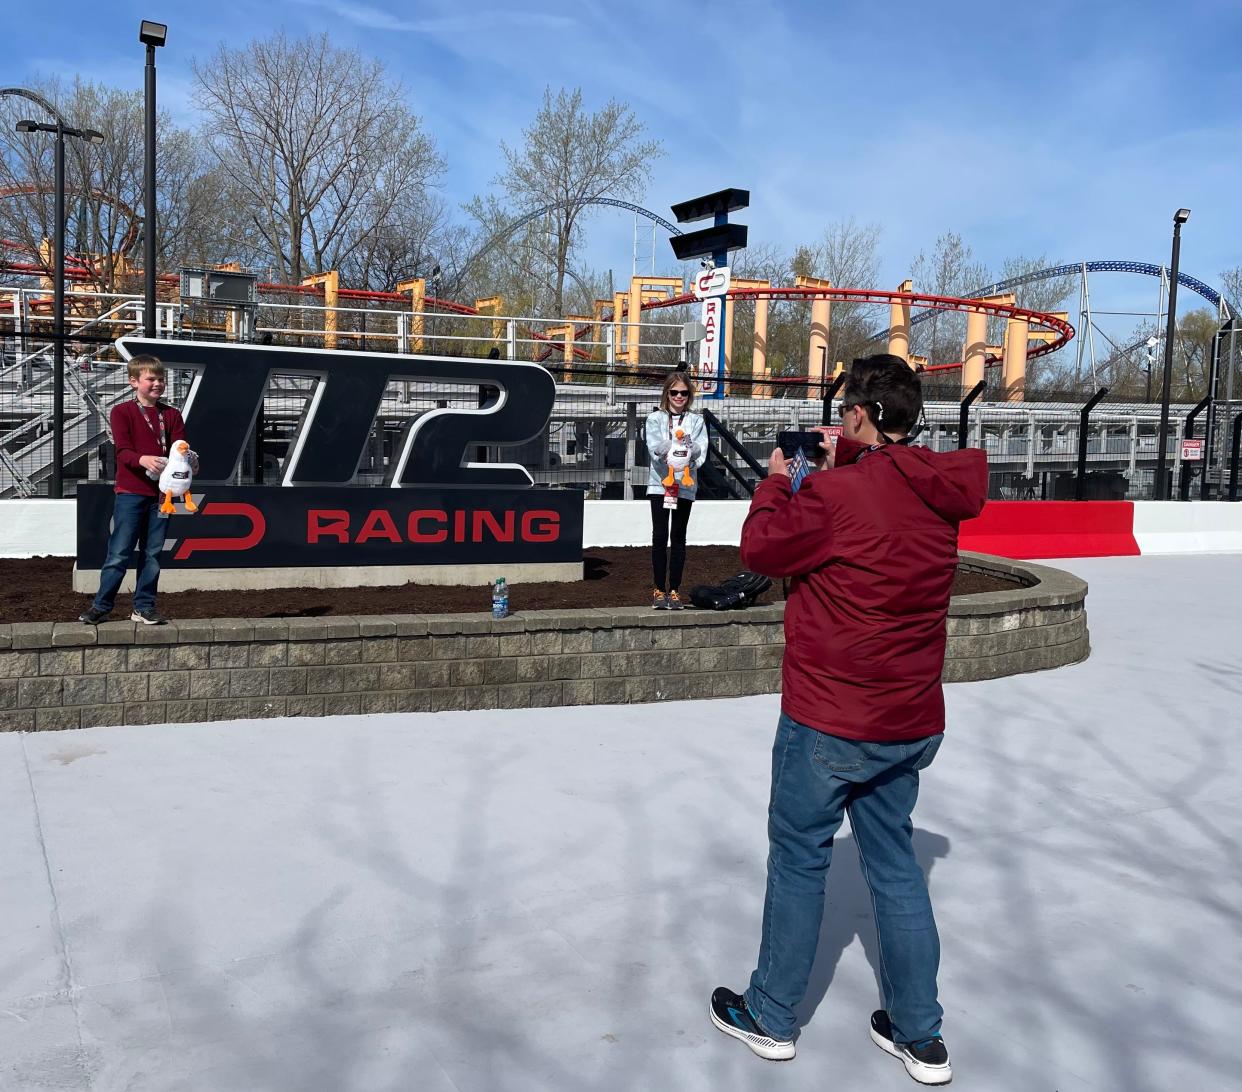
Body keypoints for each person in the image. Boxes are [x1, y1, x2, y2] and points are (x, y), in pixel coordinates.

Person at [709, 355, 988, 1085]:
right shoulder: (936, 491)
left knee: (800, 858)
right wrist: (846, 464)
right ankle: (919, 1032)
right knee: (894, 867)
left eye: (846, 414)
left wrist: (777, 481)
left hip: (831, 716)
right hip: (908, 717)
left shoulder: (835, 495)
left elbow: (763, 549)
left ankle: (771, 1015)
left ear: (860, 413)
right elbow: (887, 507)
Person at [78, 354, 195, 626]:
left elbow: (180, 450)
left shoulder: (172, 415)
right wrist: (143, 459)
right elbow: (123, 451)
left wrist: (190, 461)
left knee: (153, 553)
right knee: (119, 552)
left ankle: (144, 606)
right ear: (134, 381)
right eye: (150, 379)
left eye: (161, 379)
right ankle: (101, 606)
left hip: (163, 496)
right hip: (132, 493)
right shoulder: (122, 412)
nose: (157, 384)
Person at [644, 371, 707, 609]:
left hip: (685, 486)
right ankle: (659, 589)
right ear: (667, 393)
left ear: (689, 395)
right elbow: (654, 450)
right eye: (674, 392)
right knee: (660, 536)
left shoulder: (696, 420)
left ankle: (675, 590)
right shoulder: (655, 419)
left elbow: (702, 450)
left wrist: (689, 454)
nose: (679, 396)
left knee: (678, 537)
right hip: (660, 484)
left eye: (684, 392)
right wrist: (672, 446)